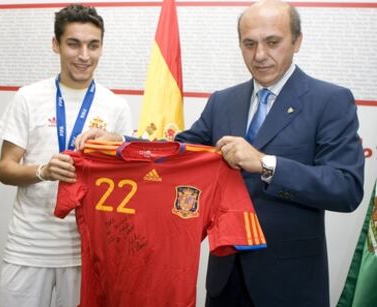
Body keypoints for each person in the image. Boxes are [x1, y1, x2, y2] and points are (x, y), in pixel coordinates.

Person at [76, 0, 365, 306]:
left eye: (272, 42)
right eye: (249, 44)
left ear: (297, 41)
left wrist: (266, 164)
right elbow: (177, 154)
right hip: (225, 279)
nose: (260, 55)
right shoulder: (223, 101)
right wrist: (120, 142)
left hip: (289, 283)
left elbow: (345, 187)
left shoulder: (330, 100)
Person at [0, 4, 132, 307]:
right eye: (74, 43)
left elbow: (132, 173)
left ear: (101, 47)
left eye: (93, 45)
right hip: (28, 247)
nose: (84, 55)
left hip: (86, 250)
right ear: (56, 44)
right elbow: (4, 169)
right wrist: (43, 170)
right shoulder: (28, 97)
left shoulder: (116, 107)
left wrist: (119, 141)